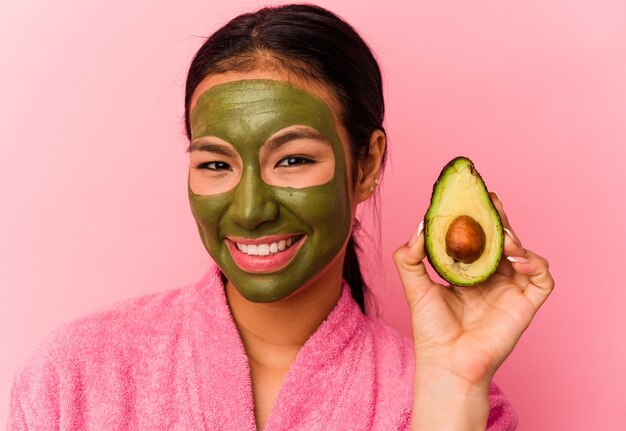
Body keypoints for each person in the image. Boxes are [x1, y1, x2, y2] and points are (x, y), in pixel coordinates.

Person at [8, 4, 554, 430]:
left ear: (366, 165)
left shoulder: (453, 399)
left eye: (292, 160)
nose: (249, 210)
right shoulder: (73, 376)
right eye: (216, 162)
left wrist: (452, 389)